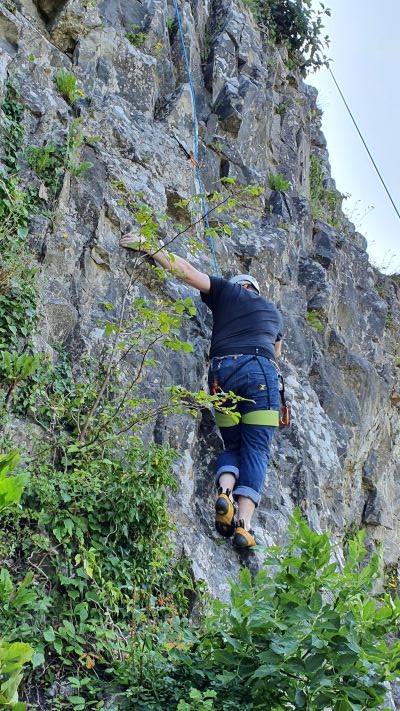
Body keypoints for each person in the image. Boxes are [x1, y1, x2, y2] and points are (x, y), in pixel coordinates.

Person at [119, 235, 283, 548]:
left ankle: (225, 492)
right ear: (256, 290)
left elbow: (188, 272)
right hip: (259, 371)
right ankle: (244, 525)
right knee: (257, 448)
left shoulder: (226, 290)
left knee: (232, 442)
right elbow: (276, 352)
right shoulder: (273, 312)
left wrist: (151, 245)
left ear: (238, 286)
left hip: (222, 373)